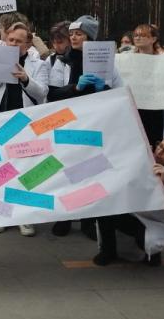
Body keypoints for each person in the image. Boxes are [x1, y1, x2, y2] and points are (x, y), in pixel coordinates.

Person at [48, 15, 123, 237]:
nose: (73, 38)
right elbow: (51, 94)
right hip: (68, 122)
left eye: (78, 34)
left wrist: (104, 89)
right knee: (65, 169)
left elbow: (121, 93)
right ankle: (64, 216)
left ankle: (89, 220)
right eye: (71, 34)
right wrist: (75, 89)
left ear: (90, 37)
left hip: (94, 123)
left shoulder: (107, 62)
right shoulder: (61, 61)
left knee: (90, 170)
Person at [0, 23, 49, 237]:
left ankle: (24, 217)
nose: (14, 44)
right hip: (0, 123)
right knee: (1, 170)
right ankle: (1, 214)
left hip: (25, 124)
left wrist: (26, 79)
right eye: (11, 40)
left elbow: (43, 93)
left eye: (19, 41)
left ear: (28, 44)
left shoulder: (38, 64)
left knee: (25, 169)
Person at [93, 134, 164, 267]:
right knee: (105, 209)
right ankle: (108, 251)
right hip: (133, 213)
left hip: (159, 222)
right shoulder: (144, 158)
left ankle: (153, 253)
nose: (159, 151)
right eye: (160, 145)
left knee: (150, 241)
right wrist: (137, 160)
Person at [126, 24, 164, 146]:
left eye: (143, 35)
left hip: (157, 108)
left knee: (154, 140)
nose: (138, 38)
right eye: (136, 35)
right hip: (136, 107)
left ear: (153, 39)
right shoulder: (126, 58)